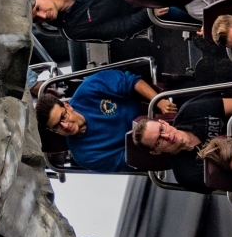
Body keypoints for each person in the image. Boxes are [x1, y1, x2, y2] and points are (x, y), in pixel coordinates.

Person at [36, 69, 167, 173]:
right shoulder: (85, 156)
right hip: (153, 145)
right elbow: (130, 159)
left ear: (67, 106)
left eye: (63, 117)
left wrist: (159, 101)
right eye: (57, 127)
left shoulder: (89, 89)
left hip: (154, 106)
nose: (64, 126)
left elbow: (131, 81)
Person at [127, 92, 232, 189]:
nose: (167, 136)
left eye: (162, 129)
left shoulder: (190, 110)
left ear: (163, 122)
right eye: (158, 141)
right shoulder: (186, 174)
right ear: (156, 151)